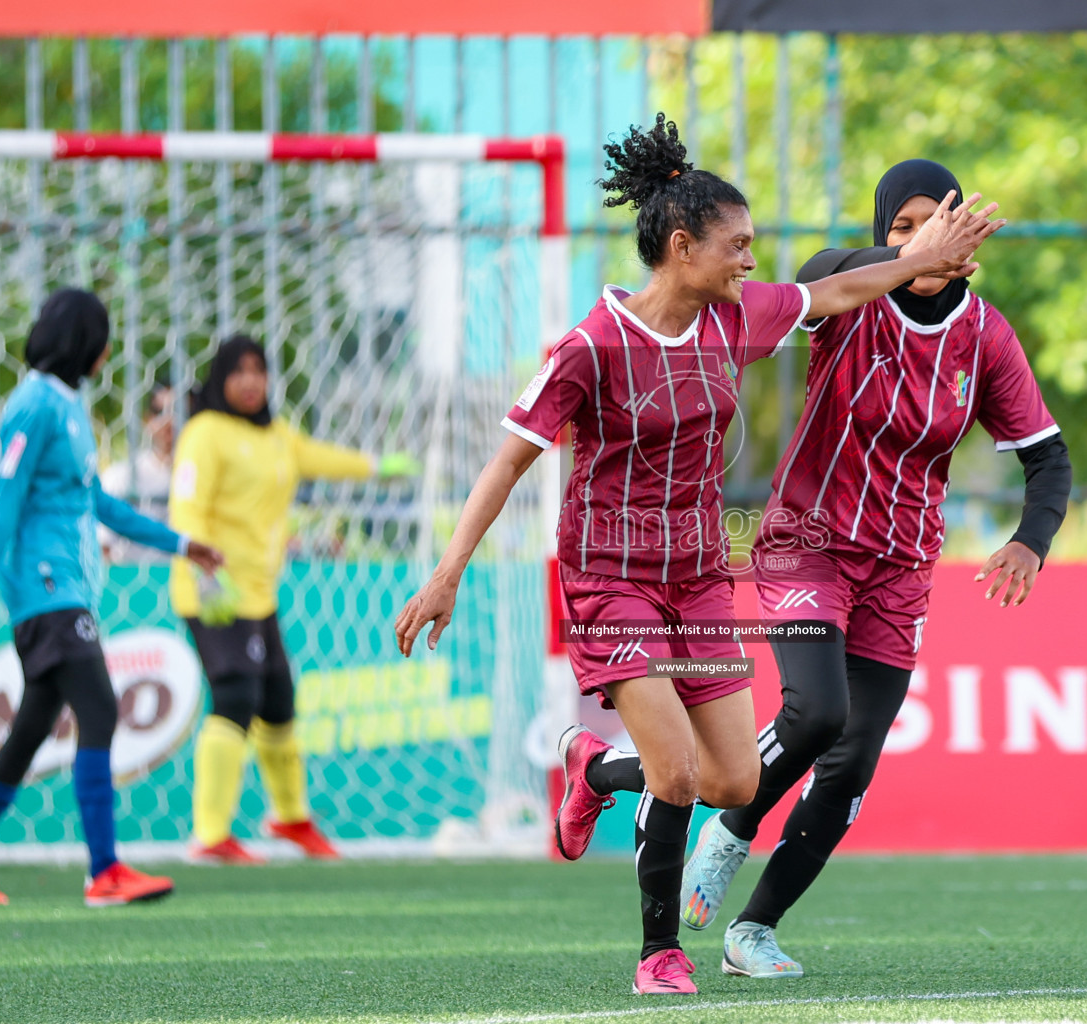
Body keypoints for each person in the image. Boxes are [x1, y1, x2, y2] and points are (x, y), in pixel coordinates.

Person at [393, 116, 1001, 995]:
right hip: (609, 581)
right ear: (683, 247)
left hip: (700, 581)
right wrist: (448, 571)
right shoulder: (590, 349)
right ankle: (657, 953)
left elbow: (836, 293)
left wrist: (918, 260)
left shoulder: (738, 319)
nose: (753, 262)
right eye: (738, 245)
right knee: (677, 772)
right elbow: (510, 460)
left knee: (732, 778)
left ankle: (592, 767)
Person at [551, 158, 1065, 979]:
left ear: (970, 236)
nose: (922, 239)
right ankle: (727, 828)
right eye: (902, 226)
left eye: (939, 224)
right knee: (817, 713)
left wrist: (1029, 540)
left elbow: (1049, 460)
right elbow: (818, 276)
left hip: (902, 566)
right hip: (807, 542)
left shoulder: (987, 337)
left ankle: (751, 930)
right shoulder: (850, 297)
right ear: (883, 233)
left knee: (853, 763)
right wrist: (904, 258)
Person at [0, 289, 223, 907]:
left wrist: (181, 543)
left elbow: (100, 503)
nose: (110, 349)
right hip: (45, 589)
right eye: (104, 337)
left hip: (68, 591)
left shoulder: (69, 408)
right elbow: (1, 507)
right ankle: (105, 871)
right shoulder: (33, 405)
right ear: (85, 342)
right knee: (99, 707)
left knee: (32, 728)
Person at [172, 335, 418, 865]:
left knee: (279, 701)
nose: (250, 380)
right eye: (238, 371)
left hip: (258, 594)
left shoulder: (277, 437)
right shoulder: (204, 432)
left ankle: (289, 818)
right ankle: (209, 835)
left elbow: (322, 459)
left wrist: (380, 467)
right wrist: (205, 571)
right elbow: (186, 508)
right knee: (235, 697)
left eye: (258, 369)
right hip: (213, 590)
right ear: (219, 379)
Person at [99, 379, 176, 562]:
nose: (169, 421)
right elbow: (103, 549)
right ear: (147, 419)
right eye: (160, 412)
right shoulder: (121, 477)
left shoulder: (205, 480)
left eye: (178, 411)